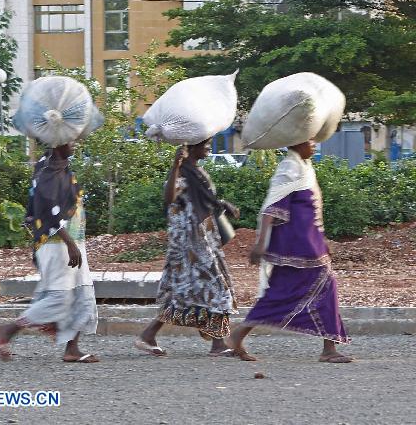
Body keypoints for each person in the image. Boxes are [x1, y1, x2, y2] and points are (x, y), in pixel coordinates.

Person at [227, 140, 352, 363]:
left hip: (310, 241)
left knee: (287, 291)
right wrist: (262, 243)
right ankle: (328, 349)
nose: (314, 145)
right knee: (315, 287)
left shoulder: (304, 166)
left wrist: (322, 239)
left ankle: (239, 334)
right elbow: (272, 208)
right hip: (297, 244)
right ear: (297, 144)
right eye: (310, 142)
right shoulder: (289, 168)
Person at [0, 142, 99, 363]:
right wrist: (70, 243)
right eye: (71, 140)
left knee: (81, 294)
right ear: (57, 142)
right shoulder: (47, 174)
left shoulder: (62, 168)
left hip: (72, 241)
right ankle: (9, 330)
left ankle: (72, 349)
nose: (76, 144)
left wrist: (74, 243)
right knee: (60, 298)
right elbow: (47, 212)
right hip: (56, 245)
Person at [135, 140, 239, 357]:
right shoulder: (182, 171)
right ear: (191, 148)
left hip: (203, 236)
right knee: (216, 287)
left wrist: (222, 204)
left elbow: (200, 198)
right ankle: (218, 345)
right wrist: (175, 165)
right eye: (205, 144)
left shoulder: (197, 171)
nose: (209, 147)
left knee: (183, 293)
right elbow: (170, 198)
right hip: (190, 242)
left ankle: (148, 335)